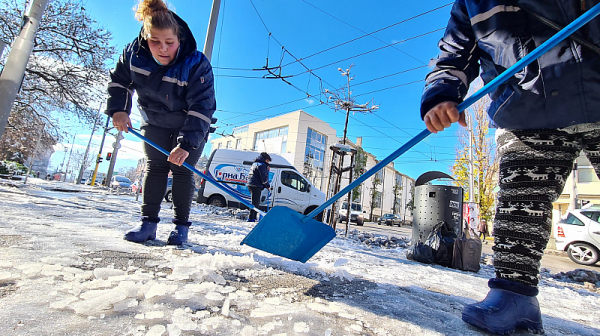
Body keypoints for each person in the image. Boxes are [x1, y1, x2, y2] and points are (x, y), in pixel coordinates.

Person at [421, 1, 600, 334]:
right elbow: (452, 56)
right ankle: (513, 297)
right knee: (520, 208)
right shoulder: (472, 4)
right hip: (527, 110)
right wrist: (440, 95)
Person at [106, 0, 216, 245]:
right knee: (155, 167)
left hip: (190, 124)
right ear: (146, 38)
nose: (163, 49)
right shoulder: (134, 55)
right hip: (154, 120)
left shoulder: (196, 63)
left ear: (179, 38)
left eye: (169, 42)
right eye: (155, 41)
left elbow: (203, 106)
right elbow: (119, 82)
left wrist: (186, 144)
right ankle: (148, 225)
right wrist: (119, 110)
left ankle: (180, 229)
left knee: (182, 170)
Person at [246, 152, 271, 222]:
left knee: (255, 202)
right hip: (255, 185)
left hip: (251, 184)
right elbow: (263, 178)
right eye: (268, 161)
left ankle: (252, 217)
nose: (268, 163)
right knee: (255, 203)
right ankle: (251, 218)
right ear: (265, 159)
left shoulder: (255, 164)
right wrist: (267, 186)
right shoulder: (261, 165)